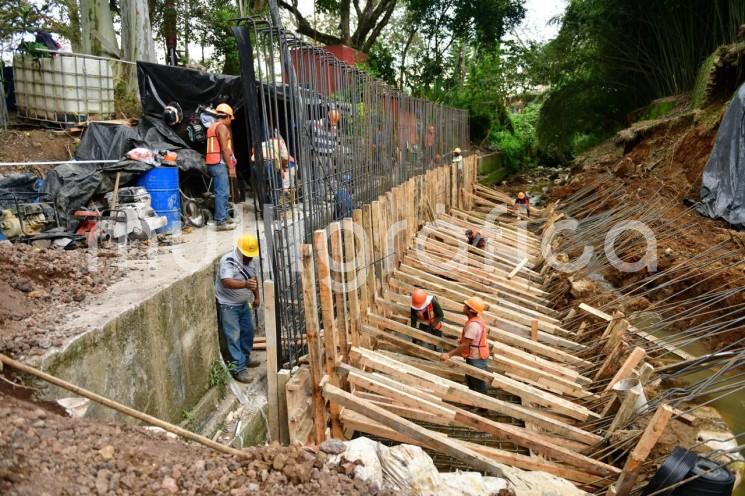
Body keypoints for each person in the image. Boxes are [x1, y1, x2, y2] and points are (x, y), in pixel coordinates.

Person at [215, 234, 261, 383]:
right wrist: (245, 285)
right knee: (233, 337)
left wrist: (257, 296)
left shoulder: (251, 262)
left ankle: (245, 358)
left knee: (248, 332)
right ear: (240, 251)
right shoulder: (228, 261)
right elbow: (226, 281)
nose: (250, 258)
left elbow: (254, 280)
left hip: (243, 304)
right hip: (229, 305)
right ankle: (238, 370)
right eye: (247, 255)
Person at [440, 296, 490, 394]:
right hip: (477, 355)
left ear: (470, 310)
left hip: (476, 357)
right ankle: (474, 403)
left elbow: (465, 345)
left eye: (466, 306)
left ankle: (482, 407)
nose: (463, 307)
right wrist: (464, 339)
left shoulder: (473, 325)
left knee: (477, 381)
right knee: (471, 379)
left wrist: (448, 355)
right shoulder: (476, 319)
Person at [205, 103, 237, 231]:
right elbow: (224, 148)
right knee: (222, 193)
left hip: (212, 163)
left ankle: (224, 216)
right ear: (228, 116)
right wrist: (231, 167)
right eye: (231, 118)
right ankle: (220, 221)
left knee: (222, 192)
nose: (231, 121)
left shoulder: (212, 127)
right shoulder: (222, 127)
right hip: (219, 163)